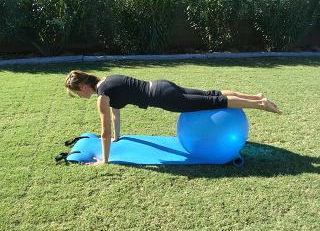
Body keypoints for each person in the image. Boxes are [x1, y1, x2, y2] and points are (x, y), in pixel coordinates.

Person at [65, 70, 281, 165]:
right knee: (211, 94)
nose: (79, 96)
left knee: (213, 102)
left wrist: (105, 160)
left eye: (77, 92)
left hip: (164, 98)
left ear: (83, 86)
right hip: (161, 85)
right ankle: (256, 96)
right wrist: (117, 138)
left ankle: (259, 104)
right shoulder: (108, 80)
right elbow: (115, 115)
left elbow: (105, 132)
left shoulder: (102, 97)